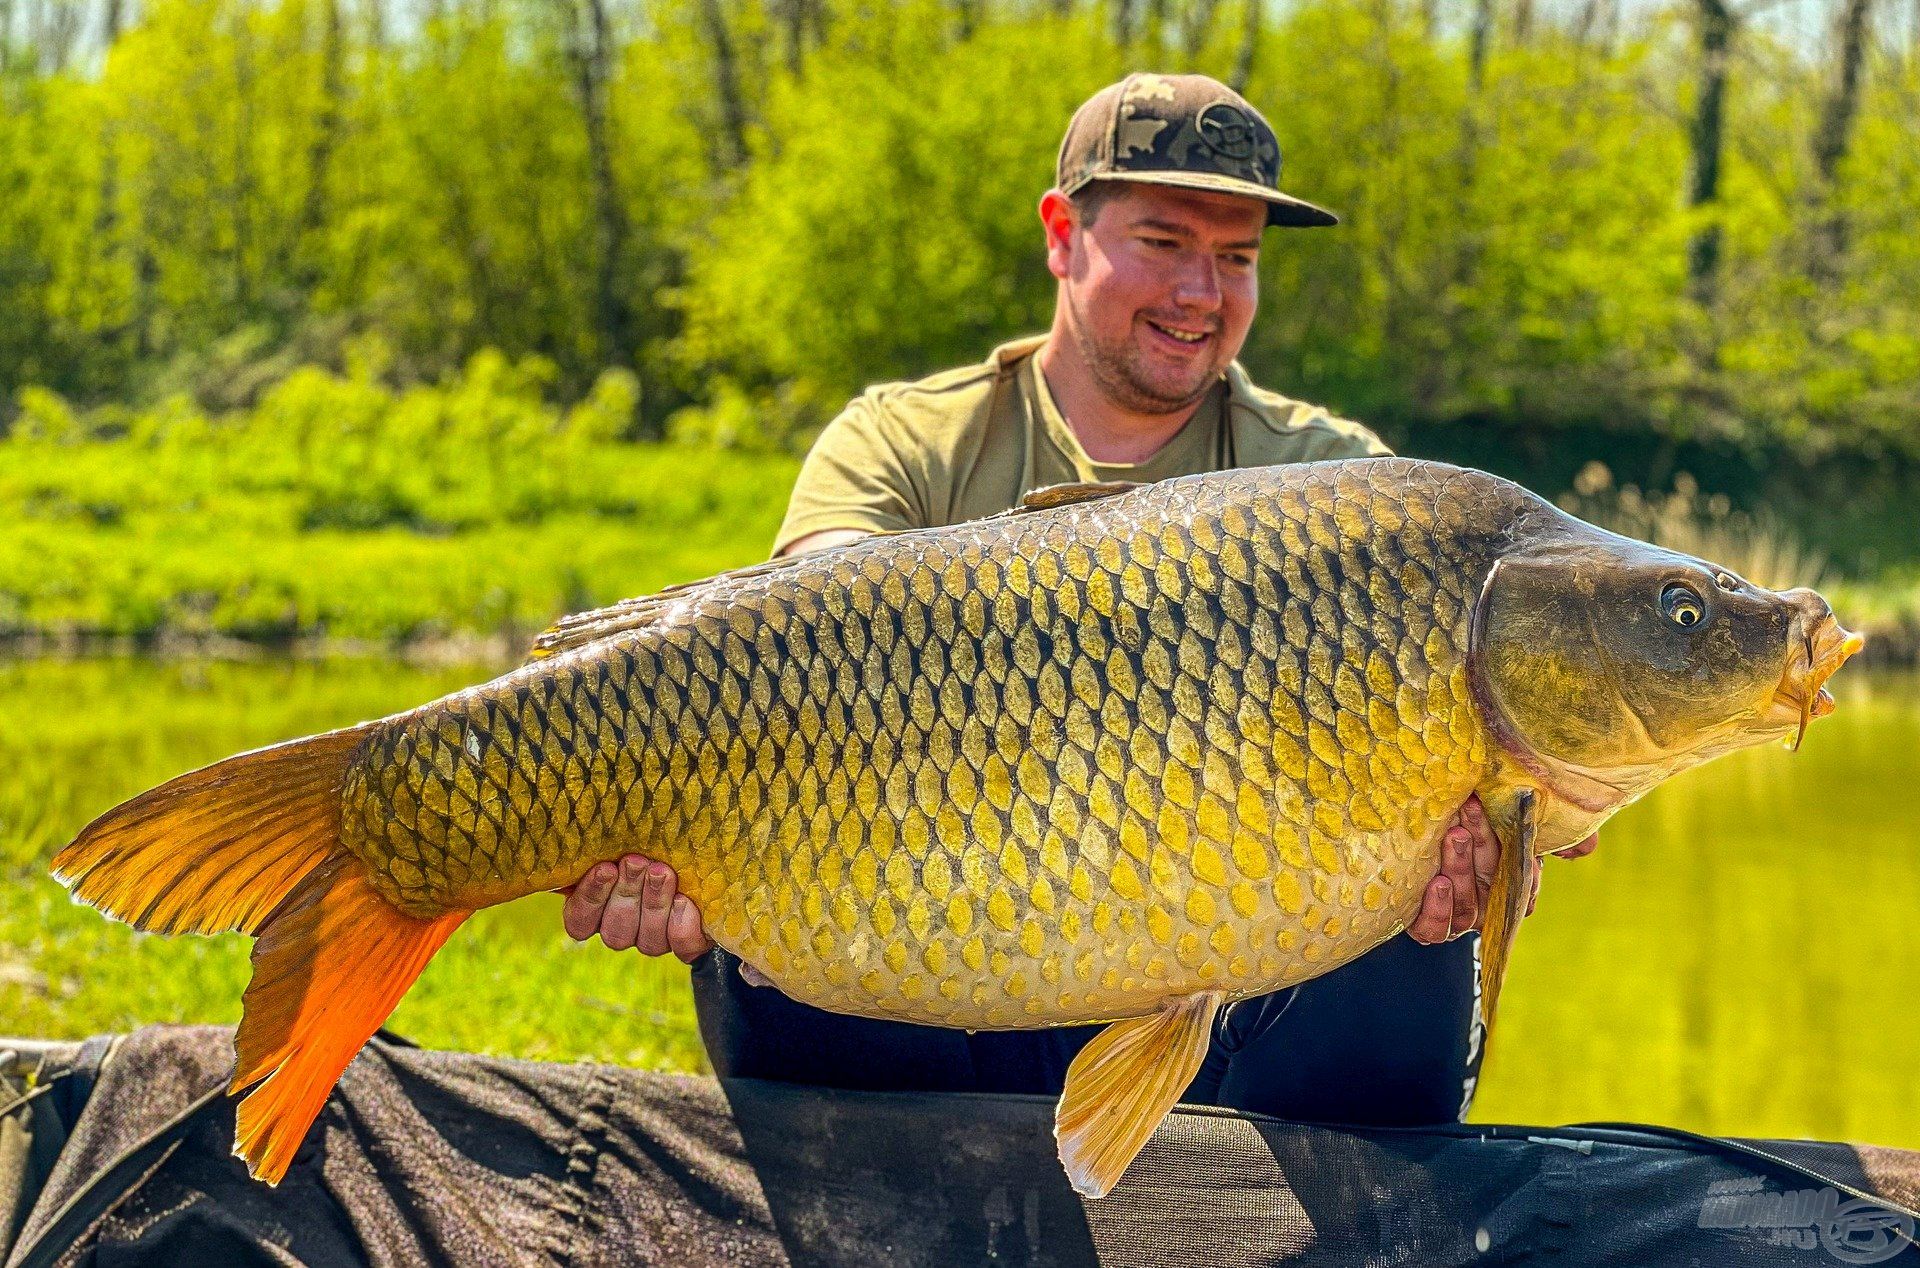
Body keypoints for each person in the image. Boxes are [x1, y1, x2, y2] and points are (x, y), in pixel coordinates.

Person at [562, 73, 1598, 1124]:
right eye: (1163, 241)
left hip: (1232, 988)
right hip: (937, 950)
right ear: (1063, 234)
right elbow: (808, 647)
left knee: (1416, 926)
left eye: (1237, 256)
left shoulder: (1340, 484)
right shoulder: (904, 442)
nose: (1203, 290)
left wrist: (1467, 856)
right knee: (762, 882)